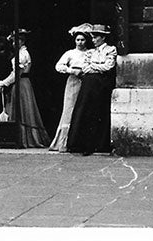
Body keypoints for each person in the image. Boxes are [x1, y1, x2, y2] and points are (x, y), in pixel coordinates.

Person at [66, 24, 117, 156]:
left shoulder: (110, 50)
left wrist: (94, 66)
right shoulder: (90, 52)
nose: (93, 40)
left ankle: (99, 144)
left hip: (101, 84)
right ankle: (83, 144)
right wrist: (97, 66)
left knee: (98, 111)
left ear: (103, 38)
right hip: (89, 84)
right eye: (92, 37)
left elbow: (108, 66)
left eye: (96, 37)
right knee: (85, 110)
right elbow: (85, 67)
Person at [0, 29, 50, 148]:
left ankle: (26, 139)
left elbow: (17, 73)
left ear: (22, 41)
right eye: (13, 41)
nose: (15, 43)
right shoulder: (20, 53)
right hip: (22, 83)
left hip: (21, 82)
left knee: (23, 109)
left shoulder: (22, 54)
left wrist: (4, 83)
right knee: (20, 109)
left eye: (17, 41)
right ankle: (22, 138)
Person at [48, 24, 93, 152]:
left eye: (82, 40)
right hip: (73, 81)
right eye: (78, 40)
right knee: (70, 108)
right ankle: (63, 142)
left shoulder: (90, 53)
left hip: (85, 81)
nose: (80, 42)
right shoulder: (70, 53)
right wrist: (72, 70)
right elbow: (58, 66)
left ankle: (79, 142)